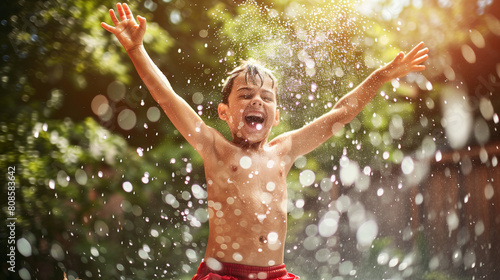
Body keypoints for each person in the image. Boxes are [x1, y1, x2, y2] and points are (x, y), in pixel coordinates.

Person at [101, 3, 429, 280]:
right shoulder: (215, 148)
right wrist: (136, 49)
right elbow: (168, 99)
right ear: (225, 112)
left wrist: (381, 75)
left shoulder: (284, 151)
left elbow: (340, 113)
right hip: (224, 273)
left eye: (266, 97)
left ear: (276, 112)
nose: (257, 101)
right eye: (245, 95)